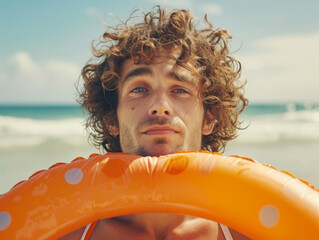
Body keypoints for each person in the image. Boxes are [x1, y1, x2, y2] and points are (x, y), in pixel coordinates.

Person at [61, 6, 249, 239]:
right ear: (112, 119)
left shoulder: (246, 233)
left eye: (180, 90)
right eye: (139, 89)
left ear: (209, 118)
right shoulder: (67, 233)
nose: (160, 105)